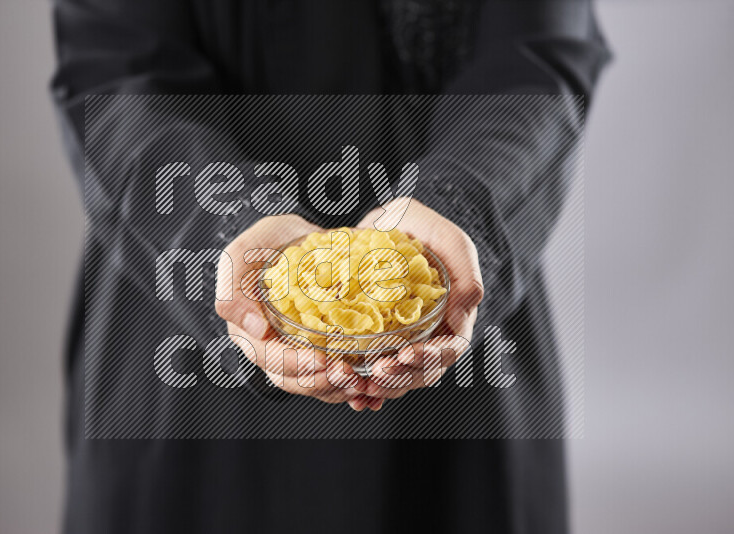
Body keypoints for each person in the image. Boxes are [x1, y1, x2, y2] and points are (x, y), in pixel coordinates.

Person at [51, 1, 609, 532]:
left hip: (450, 306)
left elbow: (536, 59)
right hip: (184, 332)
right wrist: (226, 229)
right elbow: (118, 74)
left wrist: (459, 209)